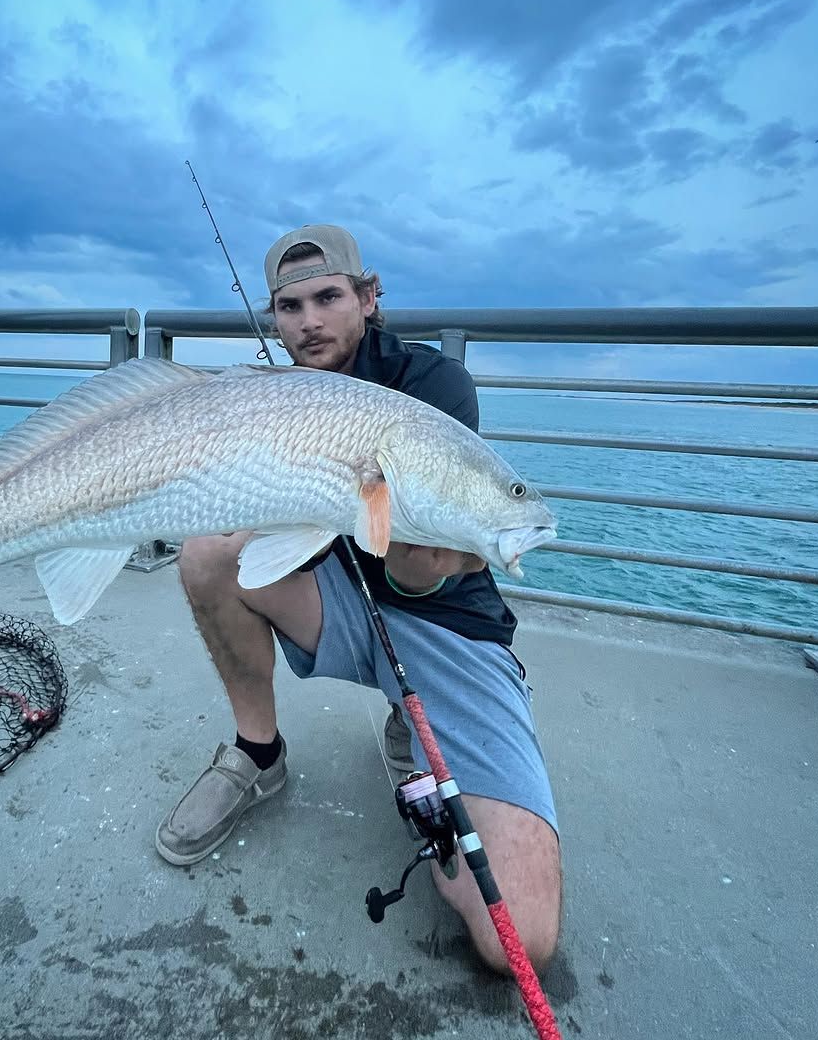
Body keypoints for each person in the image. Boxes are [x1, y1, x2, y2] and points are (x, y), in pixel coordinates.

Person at [155, 224, 561, 974]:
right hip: (340, 600)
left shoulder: (434, 386)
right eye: (289, 305)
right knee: (209, 554)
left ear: (368, 299)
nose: (309, 320)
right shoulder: (272, 396)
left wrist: (422, 561)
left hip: (445, 625)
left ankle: (424, 737)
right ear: (273, 315)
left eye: (329, 297)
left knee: (520, 940)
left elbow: (417, 569)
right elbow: (256, 517)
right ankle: (257, 756)